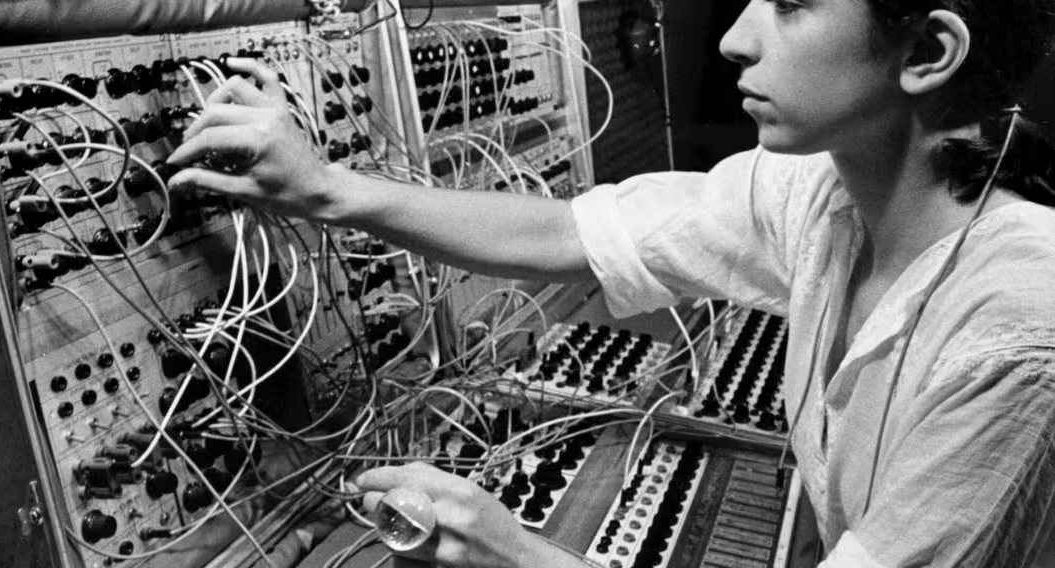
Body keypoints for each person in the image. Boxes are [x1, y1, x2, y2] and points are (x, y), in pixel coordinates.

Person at [166, 0, 1055, 565]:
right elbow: (567, 232)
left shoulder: (1019, 338)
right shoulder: (815, 185)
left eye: (790, 4)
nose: (737, 38)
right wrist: (330, 188)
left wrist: (510, 550)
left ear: (930, 50)